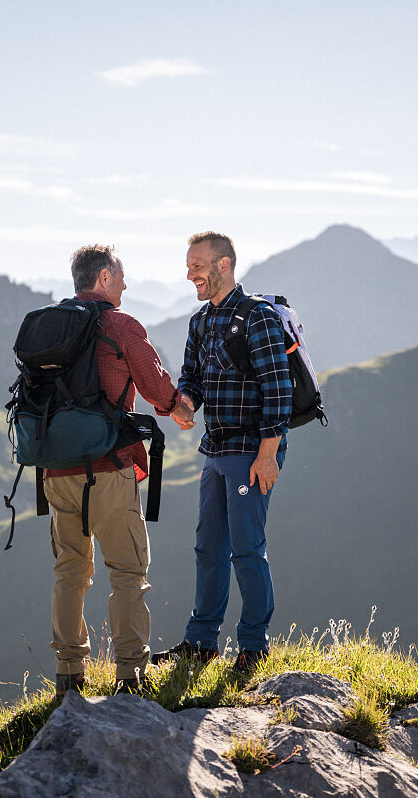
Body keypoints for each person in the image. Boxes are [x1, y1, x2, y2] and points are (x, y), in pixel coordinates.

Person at [45, 244, 196, 696]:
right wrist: (181, 408)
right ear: (105, 278)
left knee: (70, 571)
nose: (127, 285)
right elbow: (154, 385)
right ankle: (130, 675)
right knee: (128, 571)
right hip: (109, 468)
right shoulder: (120, 325)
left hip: (55, 471)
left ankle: (68, 674)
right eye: (122, 276)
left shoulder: (50, 325)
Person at [153, 230, 294, 676]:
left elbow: (279, 388)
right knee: (208, 547)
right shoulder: (199, 322)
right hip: (215, 448)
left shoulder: (258, 318)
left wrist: (268, 454)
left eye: (197, 265)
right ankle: (201, 642)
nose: (190, 273)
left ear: (224, 265)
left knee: (247, 549)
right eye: (189, 265)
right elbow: (191, 377)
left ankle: (254, 647)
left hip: (252, 450)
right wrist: (186, 403)